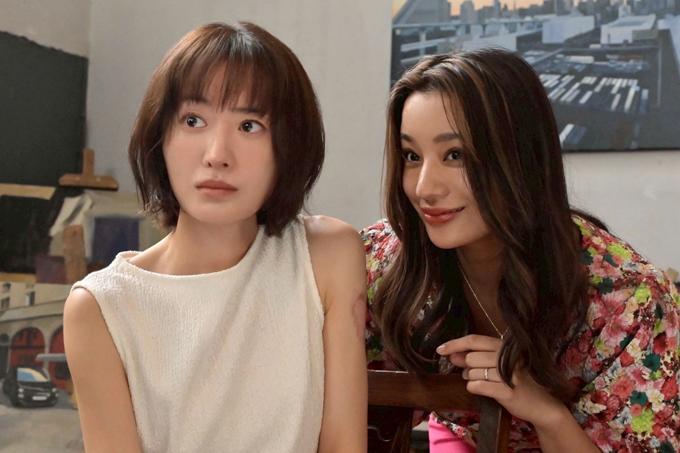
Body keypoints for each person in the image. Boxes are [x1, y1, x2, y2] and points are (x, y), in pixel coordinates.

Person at [64, 22, 367, 453]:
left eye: (250, 125)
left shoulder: (327, 255)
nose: (217, 155)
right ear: (159, 137)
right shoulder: (101, 307)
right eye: (193, 120)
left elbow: (343, 445)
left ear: (289, 145)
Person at [362, 48, 680, 453]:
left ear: (521, 157)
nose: (424, 188)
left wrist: (544, 411)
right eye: (412, 156)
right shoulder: (383, 259)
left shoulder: (628, 301)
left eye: (455, 155)